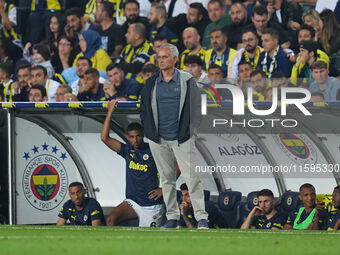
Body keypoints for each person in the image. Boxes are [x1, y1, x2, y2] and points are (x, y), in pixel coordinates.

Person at [140, 43, 208, 229]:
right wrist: (149, 130)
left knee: (192, 177)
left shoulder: (186, 79)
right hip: (158, 138)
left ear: (175, 59)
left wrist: (193, 128)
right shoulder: (151, 81)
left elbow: (197, 105)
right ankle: (172, 217)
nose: (161, 60)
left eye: (165, 57)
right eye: (159, 57)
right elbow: (144, 108)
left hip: (182, 137)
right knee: (166, 179)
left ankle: (201, 217)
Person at [101, 101, 164, 227]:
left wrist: (164, 188)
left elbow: (177, 163)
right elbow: (104, 138)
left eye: (138, 136)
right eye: (131, 137)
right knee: (111, 220)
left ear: (143, 135)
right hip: (132, 201)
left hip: (151, 205)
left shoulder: (153, 150)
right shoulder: (127, 150)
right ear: (127, 137)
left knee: (149, 241)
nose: (135, 140)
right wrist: (109, 112)